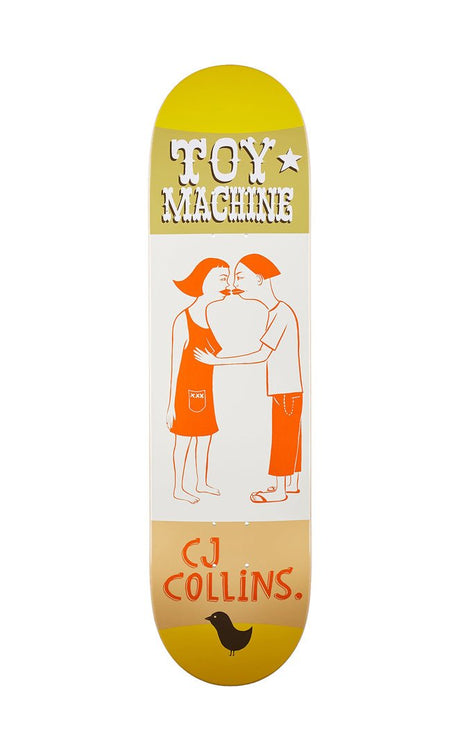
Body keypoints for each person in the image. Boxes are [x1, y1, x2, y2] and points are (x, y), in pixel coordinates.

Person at [194, 253, 302, 503]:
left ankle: (279, 491)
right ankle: (292, 484)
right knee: (291, 436)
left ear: (260, 279)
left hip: (284, 390)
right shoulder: (277, 311)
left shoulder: (281, 313)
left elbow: (262, 354)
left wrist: (217, 361)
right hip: (287, 388)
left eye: (241, 277)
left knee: (283, 437)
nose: (234, 284)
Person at [167, 258, 229, 504]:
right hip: (185, 392)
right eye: (222, 279)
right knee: (183, 440)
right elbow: (174, 365)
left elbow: (215, 356)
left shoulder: (206, 317)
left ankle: (201, 483)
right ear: (204, 282)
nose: (227, 284)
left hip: (205, 391)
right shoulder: (183, 320)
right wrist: (171, 405)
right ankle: (178, 488)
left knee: (205, 437)